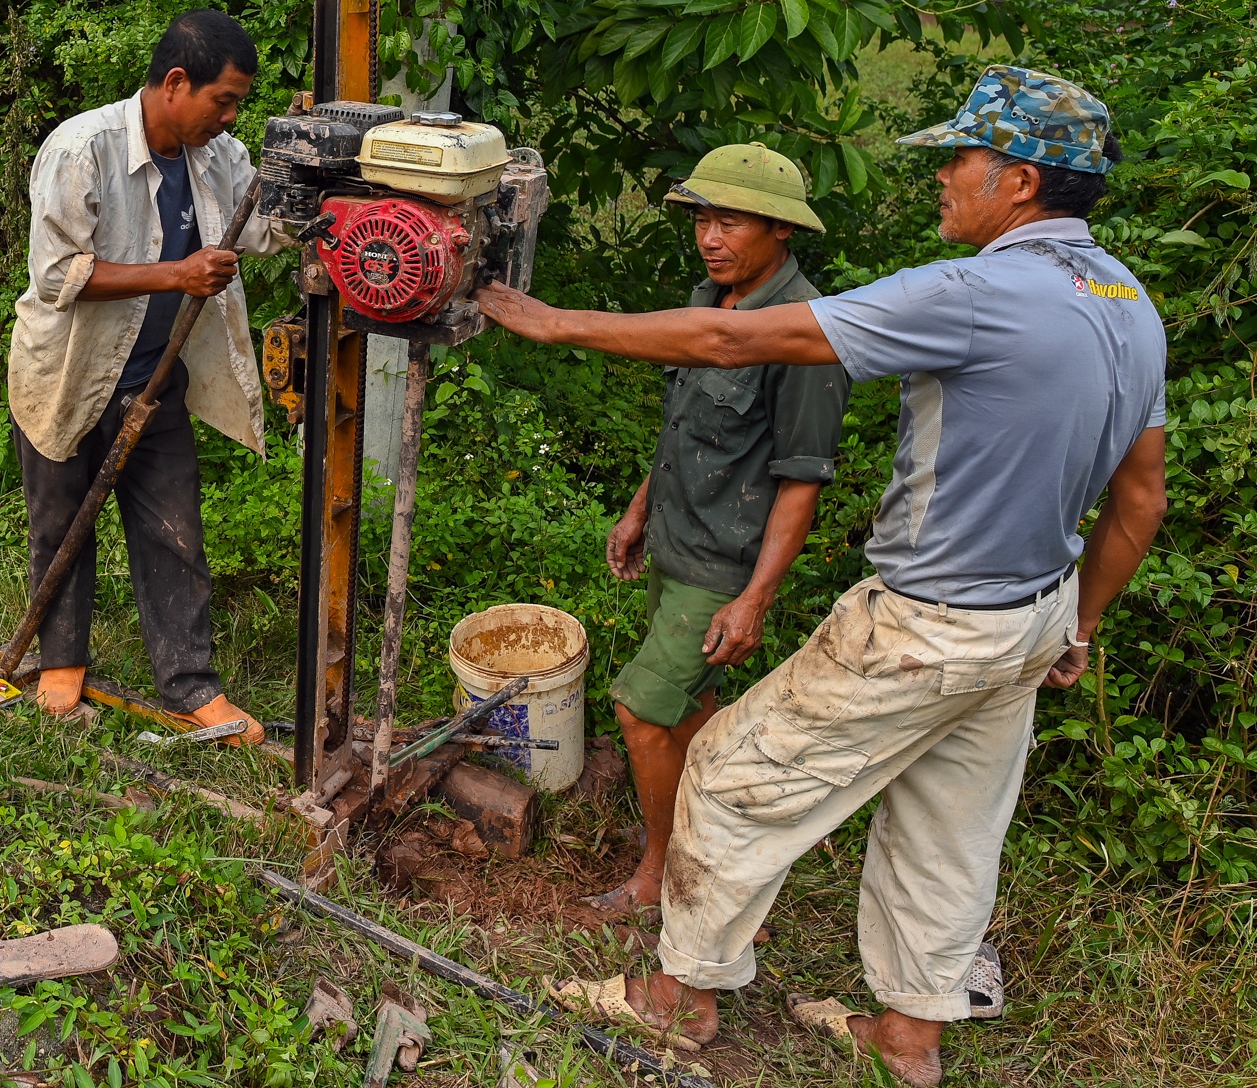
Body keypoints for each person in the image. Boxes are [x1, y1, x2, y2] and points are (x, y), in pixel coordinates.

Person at [478, 67, 1168, 1087]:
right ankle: (906, 1041)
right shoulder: (1128, 302)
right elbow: (1140, 499)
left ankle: (679, 1000)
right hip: (1031, 618)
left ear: (1019, 181)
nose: (944, 176)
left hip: (928, 621)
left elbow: (729, 335)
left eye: (960, 159)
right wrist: (1079, 627)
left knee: (725, 771)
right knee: (950, 830)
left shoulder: (976, 293)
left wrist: (554, 320)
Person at [587, 144, 851, 919]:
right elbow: (684, 430)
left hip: (722, 566)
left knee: (640, 708)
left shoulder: (805, 338)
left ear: (781, 232)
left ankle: (664, 873)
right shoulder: (711, 301)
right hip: (675, 540)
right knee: (690, 710)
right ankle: (702, 833)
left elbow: (800, 484)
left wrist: (756, 598)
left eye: (730, 221)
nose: (710, 236)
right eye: (702, 217)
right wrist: (641, 509)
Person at [8, 9, 287, 742]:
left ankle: (192, 684)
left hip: (158, 379)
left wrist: (316, 183)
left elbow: (260, 226)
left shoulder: (217, 155)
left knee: (175, 530)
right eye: (222, 100)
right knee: (60, 519)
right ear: (174, 83)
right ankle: (61, 657)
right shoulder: (82, 149)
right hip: (68, 374)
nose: (230, 118)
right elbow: (59, 273)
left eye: (238, 104)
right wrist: (177, 274)